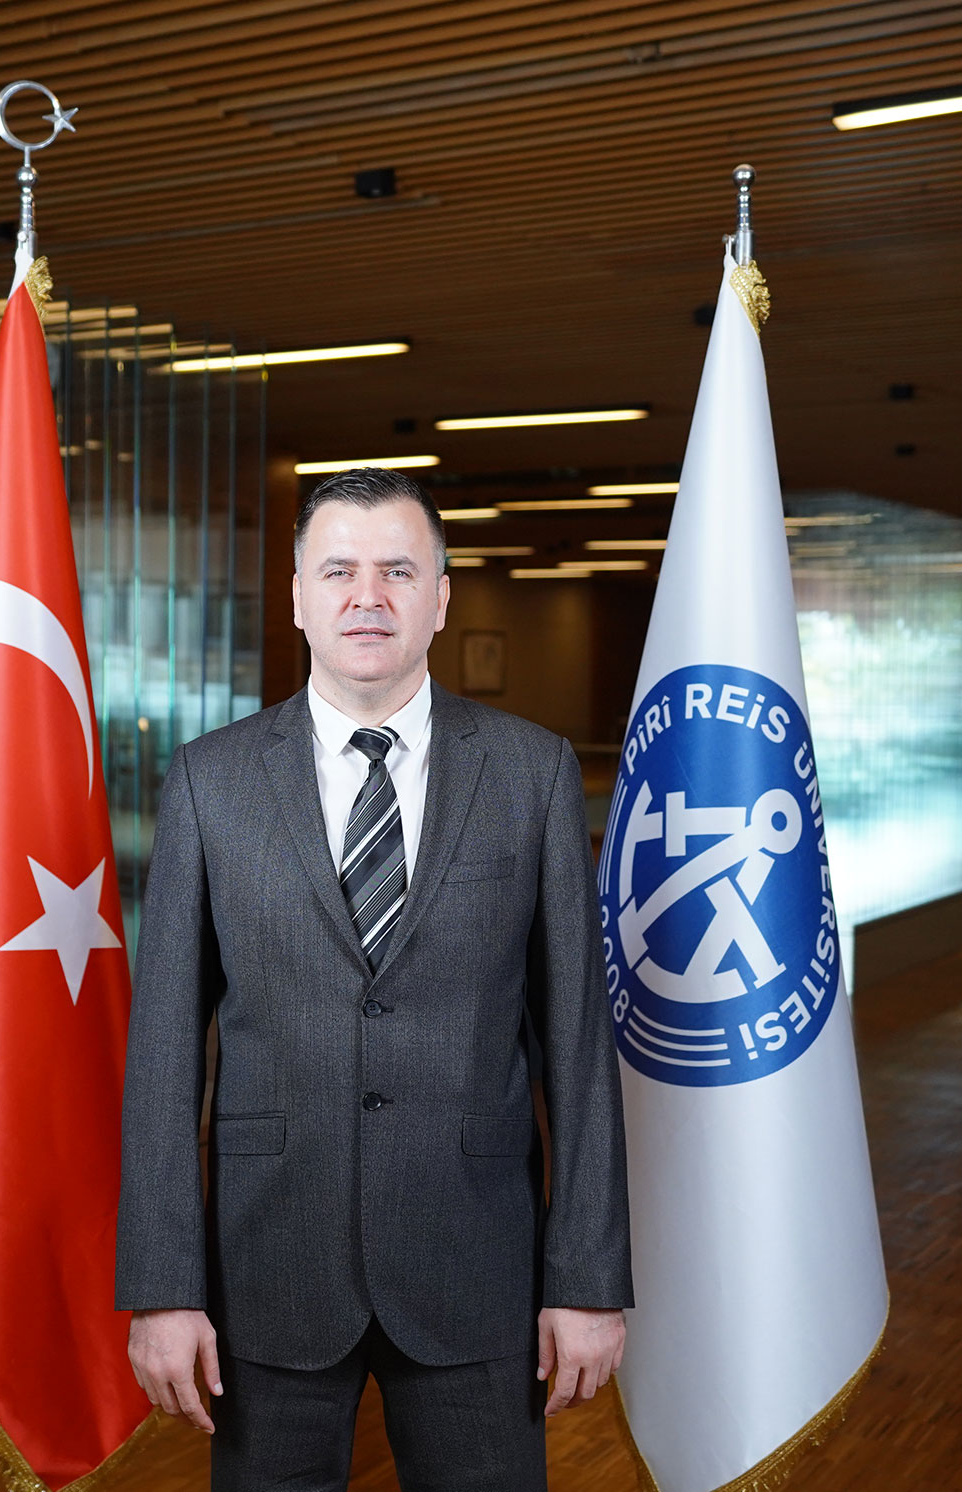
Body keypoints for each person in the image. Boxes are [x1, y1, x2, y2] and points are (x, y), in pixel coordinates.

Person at [116, 467, 632, 1491]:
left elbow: (578, 1045)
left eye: (398, 570)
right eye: (339, 570)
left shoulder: (530, 773)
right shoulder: (211, 781)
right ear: (297, 596)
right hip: (268, 1271)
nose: (368, 596)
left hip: (477, 1268)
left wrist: (587, 1278)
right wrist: (163, 1287)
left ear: (440, 598)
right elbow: (163, 1053)